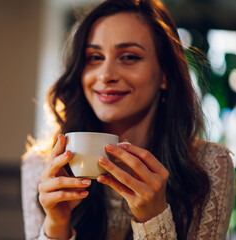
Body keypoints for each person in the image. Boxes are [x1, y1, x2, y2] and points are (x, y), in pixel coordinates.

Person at [21, 0, 235, 239]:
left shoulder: (210, 165)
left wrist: (154, 220)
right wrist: (56, 226)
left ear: (165, 75)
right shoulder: (41, 165)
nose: (105, 75)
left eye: (129, 57)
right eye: (94, 57)